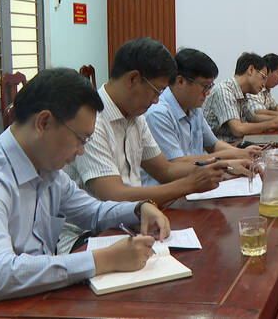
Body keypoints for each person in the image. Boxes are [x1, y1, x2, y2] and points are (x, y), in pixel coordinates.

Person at [0, 68, 171, 316]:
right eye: (81, 139)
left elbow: (94, 212)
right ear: (43, 122)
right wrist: (105, 259)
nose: (81, 151)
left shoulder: (48, 170)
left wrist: (140, 208)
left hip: (40, 301)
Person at [60, 37, 234, 254]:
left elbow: (165, 170)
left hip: (133, 224)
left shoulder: (135, 116)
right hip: (90, 238)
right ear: (133, 79)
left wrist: (213, 168)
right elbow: (114, 195)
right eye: (156, 91)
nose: (156, 101)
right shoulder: (92, 120)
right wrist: (191, 183)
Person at [143, 48, 261, 186]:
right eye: (205, 86)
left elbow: (214, 145)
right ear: (180, 81)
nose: (208, 93)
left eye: (210, 86)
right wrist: (226, 162)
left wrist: (241, 154)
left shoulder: (193, 106)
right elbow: (176, 163)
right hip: (169, 194)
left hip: (196, 183)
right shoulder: (158, 113)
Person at [203, 52, 278, 142]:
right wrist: (273, 123)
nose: (264, 83)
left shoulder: (243, 93)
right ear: (251, 70)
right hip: (221, 150)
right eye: (263, 77)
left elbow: (253, 118)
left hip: (238, 144)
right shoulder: (224, 90)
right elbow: (238, 129)